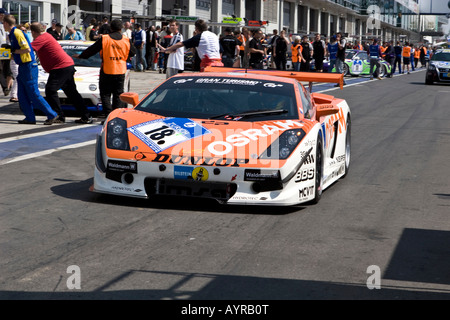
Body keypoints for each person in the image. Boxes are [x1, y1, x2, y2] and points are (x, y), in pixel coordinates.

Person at [30, 22, 93, 124]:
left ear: (33, 32)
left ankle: (58, 115)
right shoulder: (46, 35)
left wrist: (12, 48)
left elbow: (28, 49)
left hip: (60, 67)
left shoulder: (41, 38)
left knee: (50, 90)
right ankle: (86, 116)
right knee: (72, 93)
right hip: (66, 66)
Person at [3, 14, 59, 125]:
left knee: (33, 93)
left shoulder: (16, 33)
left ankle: (52, 114)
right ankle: (29, 117)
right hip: (23, 66)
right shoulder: (13, 33)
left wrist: (12, 51)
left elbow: (27, 50)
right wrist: (6, 54)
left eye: (2, 23)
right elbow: (17, 53)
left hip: (28, 66)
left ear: (5, 23)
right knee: (22, 94)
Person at [74, 19, 136, 118]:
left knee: (105, 94)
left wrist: (81, 56)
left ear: (111, 28)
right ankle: (116, 117)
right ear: (121, 29)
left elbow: (92, 50)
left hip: (107, 69)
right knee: (118, 94)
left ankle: (108, 115)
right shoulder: (126, 40)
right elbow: (133, 52)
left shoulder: (105, 38)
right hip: (120, 71)